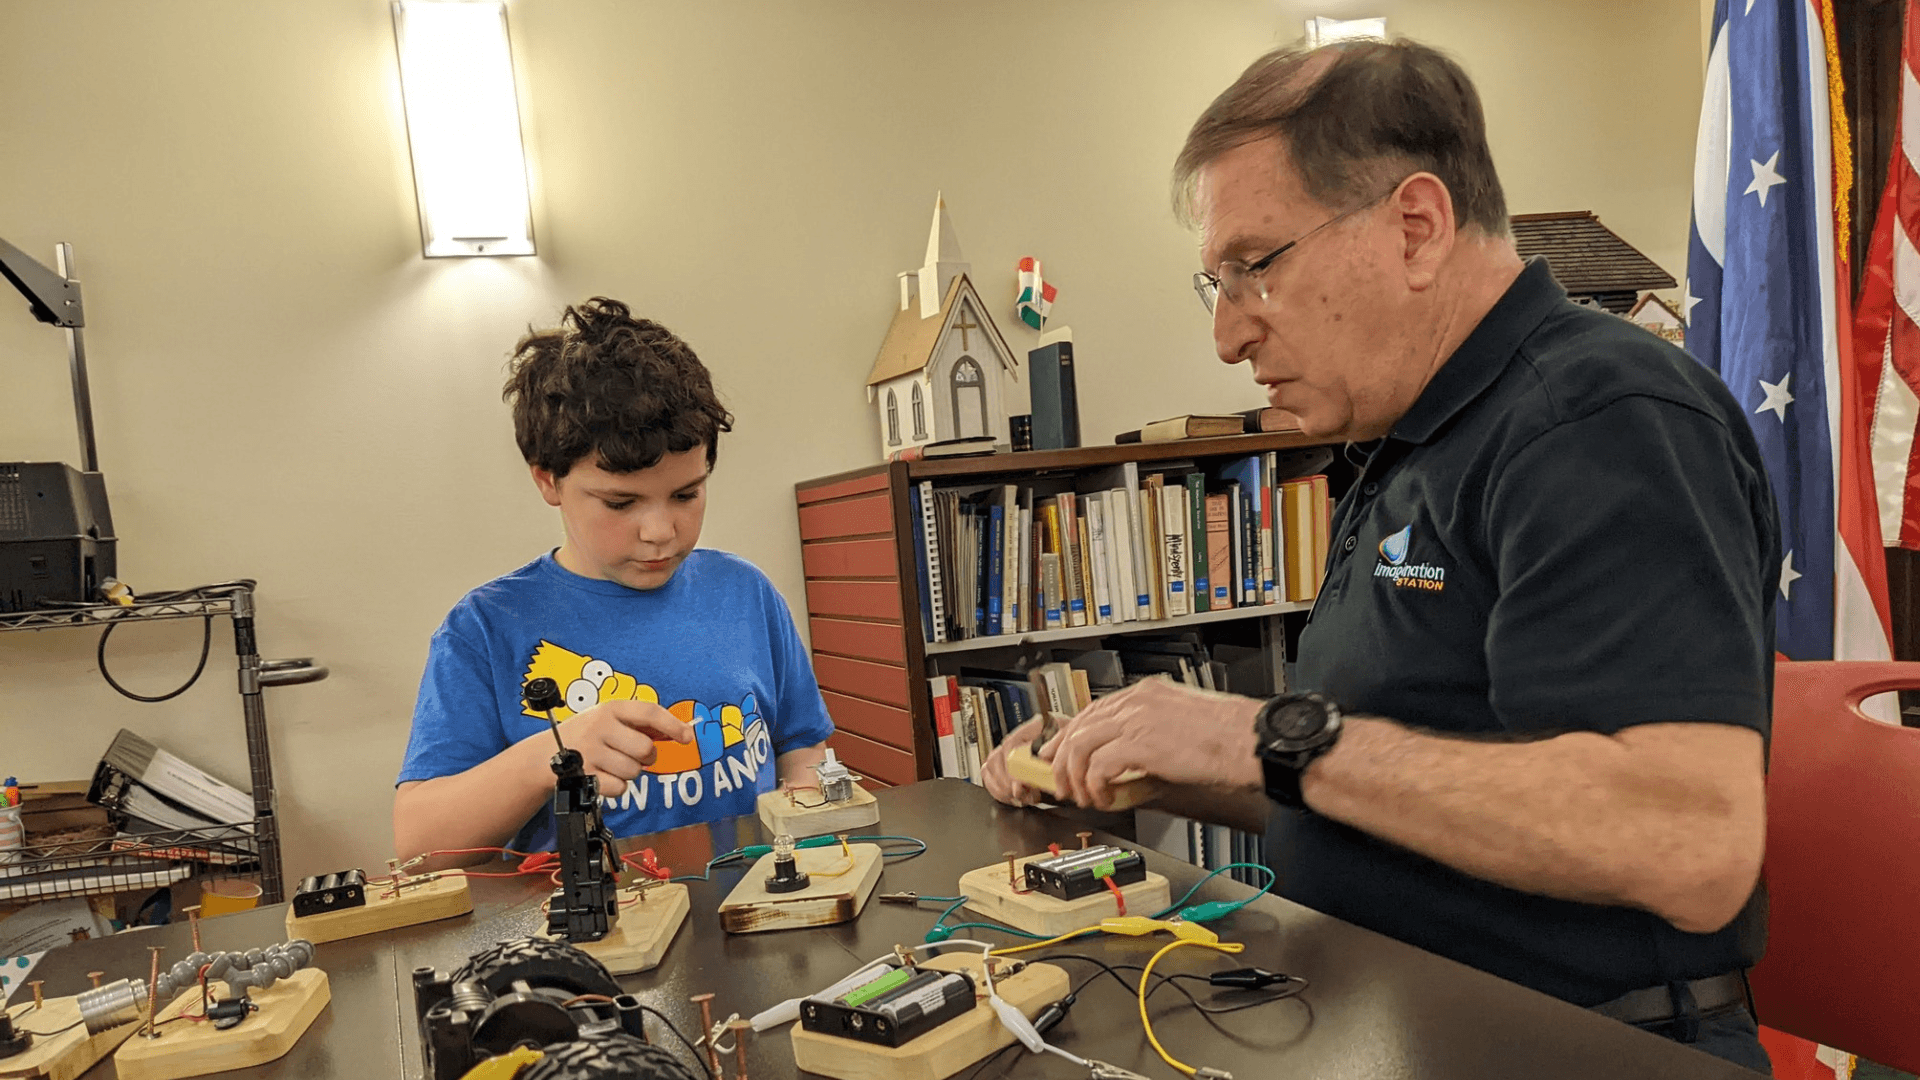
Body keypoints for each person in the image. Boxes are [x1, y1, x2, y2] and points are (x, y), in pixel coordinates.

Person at [983, 39, 1776, 1074]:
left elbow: (1685, 844)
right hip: (1378, 1011)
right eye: (1212, 283)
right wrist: (1151, 755)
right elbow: (1389, 781)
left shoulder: (1600, 420)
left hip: (1576, 1039)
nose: (1227, 336)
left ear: (1416, 226)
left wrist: (1259, 735)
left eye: (1254, 266)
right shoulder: (1407, 442)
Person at [394, 298, 833, 869]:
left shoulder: (745, 593)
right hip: (588, 943)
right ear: (548, 481)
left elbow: (802, 746)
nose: (660, 532)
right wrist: (553, 756)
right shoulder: (484, 628)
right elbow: (417, 848)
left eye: (687, 494)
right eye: (621, 503)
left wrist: (805, 808)